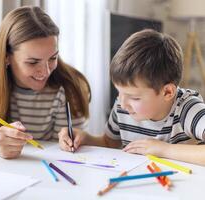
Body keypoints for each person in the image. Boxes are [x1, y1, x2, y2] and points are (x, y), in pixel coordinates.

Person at [0, 6, 90, 159]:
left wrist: (69, 142)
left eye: (52, 58)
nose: (46, 72)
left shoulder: (69, 86)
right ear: (6, 57)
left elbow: (70, 154)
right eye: (33, 62)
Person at [59, 29, 205, 166]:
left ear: (167, 92)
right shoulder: (123, 106)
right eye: (119, 92)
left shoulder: (187, 108)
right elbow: (109, 143)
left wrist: (164, 150)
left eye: (134, 98)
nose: (122, 104)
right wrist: (85, 138)